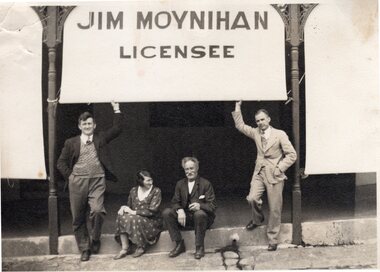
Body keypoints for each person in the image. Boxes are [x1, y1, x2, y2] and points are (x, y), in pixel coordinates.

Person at [57, 101, 122, 261]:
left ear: (94, 125)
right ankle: (85, 248)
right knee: (78, 217)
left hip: (97, 181)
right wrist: (71, 177)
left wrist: (116, 108)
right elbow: (61, 163)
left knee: (98, 211)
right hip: (77, 182)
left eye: (90, 123)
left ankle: (95, 238)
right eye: (84, 123)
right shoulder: (71, 142)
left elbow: (117, 129)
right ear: (80, 126)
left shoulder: (100, 138)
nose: (87, 126)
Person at [232, 100, 297, 251]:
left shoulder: (279, 134)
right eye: (257, 121)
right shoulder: (255, 132)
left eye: (262, 119)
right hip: (259, 172)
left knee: (275, 208)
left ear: (268, 119)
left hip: (275, 174)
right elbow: (240, 126)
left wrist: (280, 168)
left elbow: (292, 155)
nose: (260, 123)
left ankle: (273, 239)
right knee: (252, 198)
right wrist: (237, 106)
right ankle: (257, 219)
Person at [162, 157, 217, 260]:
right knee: (167, 212)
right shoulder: (180, 184)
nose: (189, 171)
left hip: (202, 219)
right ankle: (179, 244)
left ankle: (199, 247)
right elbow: (174, 202)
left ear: (197, 168)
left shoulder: (206, 184)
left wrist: (200, 206)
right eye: (186, 169)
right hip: (185, 218)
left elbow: (212, 206)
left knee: (199, 214)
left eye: (191, 168)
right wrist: (180, 210)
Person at [113, 170, 162, 259]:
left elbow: (153, 211)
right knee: (122, 216)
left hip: (152, 221)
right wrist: (124, 208)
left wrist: (134, 212)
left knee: (135, 218)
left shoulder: (156, 191)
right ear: (140, 181)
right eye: (148, 180)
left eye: (151, 180)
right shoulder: (134, 191)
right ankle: (125, 248)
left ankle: (141, 246)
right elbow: (129, 207)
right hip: (136, 218)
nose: (151, 182)